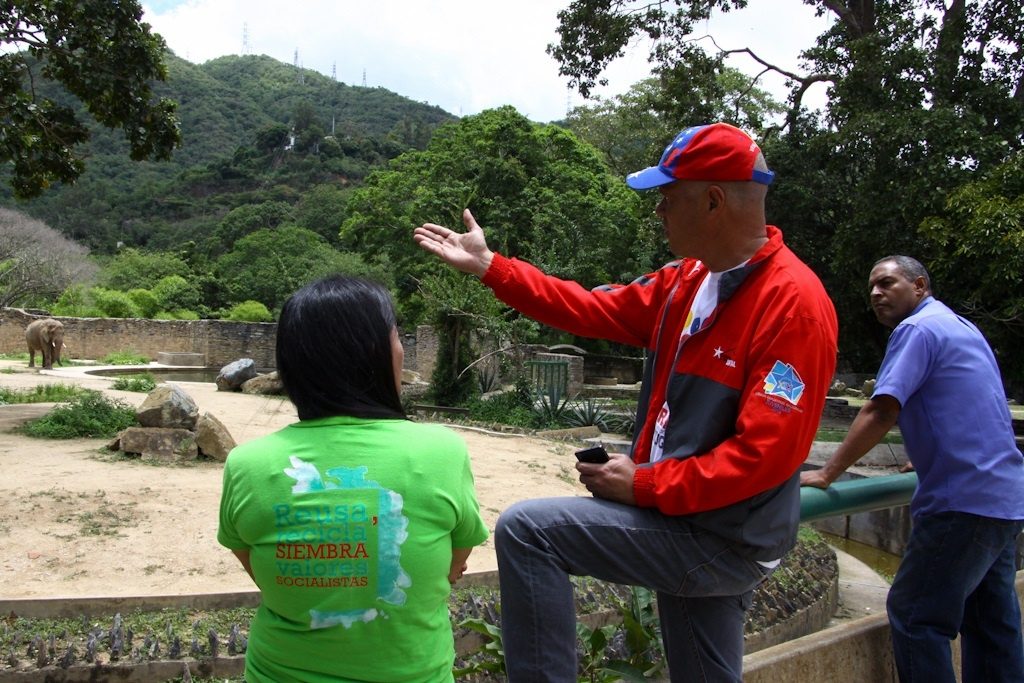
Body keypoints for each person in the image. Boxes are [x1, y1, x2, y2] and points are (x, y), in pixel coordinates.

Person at [413, 122, 838, 682]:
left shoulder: (792, 306)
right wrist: (494, 268)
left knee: (527, 531)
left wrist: (644, 485)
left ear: (713, 201)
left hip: (722, 535)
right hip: (692, 516)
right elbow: (590, 308)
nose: (658, 211)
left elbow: (763, 456)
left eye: (668, 197)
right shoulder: (689, 280)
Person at [217, 275, 489, 683]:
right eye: (397, 337)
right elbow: (454, 562)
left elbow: (260, 570)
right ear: (379, 354)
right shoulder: (442, 451)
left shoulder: (247, 464)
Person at [801, 256, 1024, 683]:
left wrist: (828, 472)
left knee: (915, 615)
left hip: (962, 501)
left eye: (887, 283)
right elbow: (976, 404)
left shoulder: (916, 329)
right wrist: (925, 454)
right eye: (872, 287)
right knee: (990, 623)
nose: (875, 294)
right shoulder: (960, 326)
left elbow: (882, 409)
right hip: (1004, 497)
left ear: (919, 285)